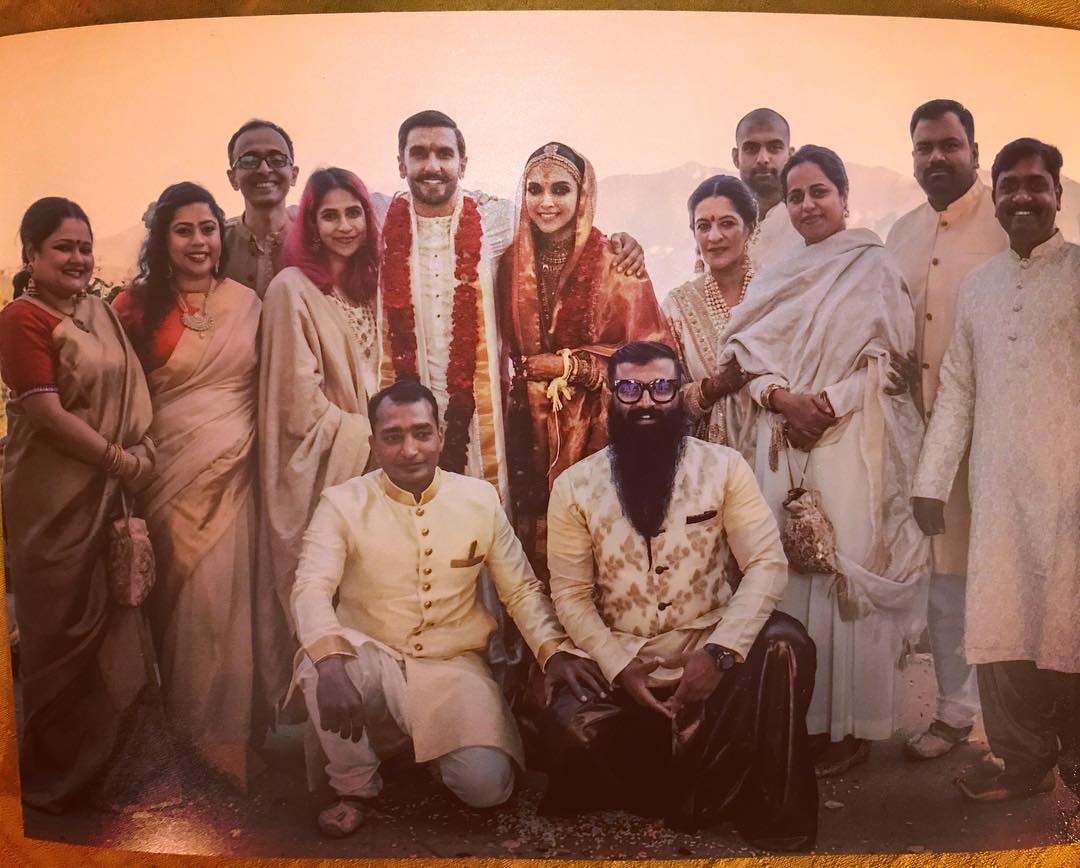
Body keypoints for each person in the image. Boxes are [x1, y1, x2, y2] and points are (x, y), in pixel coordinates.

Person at [378, 109, 645, 691]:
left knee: (541, 541)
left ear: (463, 162)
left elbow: (637, 341)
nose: (431, 165)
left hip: (529, 424)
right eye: (418, 154)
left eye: (443, 153)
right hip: (469, 422)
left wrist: (626, 243)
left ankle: (565, 681)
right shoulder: (380, 229)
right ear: (400, 163)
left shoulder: (492, 224)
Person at [289, 380, 604, 837]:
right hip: (371, 660)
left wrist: (551, 650)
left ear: (440, 435)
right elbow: (311, 587)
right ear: (374, 443)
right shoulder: (341, 504)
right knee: (319, 664)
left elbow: (519, 590)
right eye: (393, 436)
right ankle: (354, 786)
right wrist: (330, 657)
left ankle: (426, 749)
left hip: (451, 668)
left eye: (421, 432)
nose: (410, 449)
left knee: (487, 789)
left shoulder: (478, 498)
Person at [541, 341, 817, 850]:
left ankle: (776, 818)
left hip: (709, 646)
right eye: (629, 388)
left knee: (785, 644)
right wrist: (620, 666)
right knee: (568, 724)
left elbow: (766, 564)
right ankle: (699, 776)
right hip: (627, 660)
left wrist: (718, 652)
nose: (645, 402)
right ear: (610, 396)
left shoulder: (724, 467)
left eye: (661, 387)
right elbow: (572, 596)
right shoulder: (574, 486)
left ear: (678, 392)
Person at [721, 145, 930, 777]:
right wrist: (782, 400)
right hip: (782, 444)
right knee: (793, 577)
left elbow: (891, 362)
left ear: (844, 198)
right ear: (784, 207)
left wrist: (827, 406)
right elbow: (743, 350)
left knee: (844, 578)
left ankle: (853, 729)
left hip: (850, 446)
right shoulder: (781, 274)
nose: (808, 204)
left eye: (820, 192)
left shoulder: (873, 266)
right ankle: (800, 722)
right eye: (796, 195)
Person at [912, 138, 1080, 803]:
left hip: (1070, 491)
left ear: (1059, 195)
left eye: (1036, 186)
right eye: (1008, 186)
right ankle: (1021, 759)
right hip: (998, 493)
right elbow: (957, 388)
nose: (1021, 198)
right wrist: (931, 479)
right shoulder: (980, 287)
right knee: (1002, 625)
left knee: (1068, 625)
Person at [0, 198, 176, 812]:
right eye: (62, 248)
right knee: (58, 634)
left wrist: (140, 448)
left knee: (116, 623)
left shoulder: (100, 310)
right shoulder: (21, 317)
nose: (77, 259)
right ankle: (54, 780)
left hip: (110, 489)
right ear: (30, 255)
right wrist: (118, 459)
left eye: (84, 246)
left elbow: (131, 391)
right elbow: (44, 412)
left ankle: (110, 774)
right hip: (51, 499)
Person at [113, 182, 261, 788]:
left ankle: (225, 744)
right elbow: (113, 395)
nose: (199, 242)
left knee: (225, 607)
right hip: (166, 477)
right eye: (184, 230)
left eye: (207, 229)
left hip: (233, 472)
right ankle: (181, 737)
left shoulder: (249, 302)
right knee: (177, 612)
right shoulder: (132, 306)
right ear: (162, 239)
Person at [885, 99, 1008, 761]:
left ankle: (1025, 731)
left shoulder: (1008, 221)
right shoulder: (901, 234)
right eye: (924, 147)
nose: (936, 158)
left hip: (1000, 435)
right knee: (946, 579)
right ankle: (957, 711)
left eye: (949, 145)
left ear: (974, 150)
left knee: (1012, 577)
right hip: (925, 440)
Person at [500, 141, 670, 579]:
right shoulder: (507, 262)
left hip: (597, 431)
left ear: (583, 196)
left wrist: (573, 368)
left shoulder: (615, 262)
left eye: (560, 189)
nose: (547, 202)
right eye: (535, 190)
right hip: (524, 429)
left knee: (596, 551)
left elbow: (656, 358)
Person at [256, 167, 382, 729]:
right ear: (309, 223)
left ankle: (382, 734)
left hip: (380, 472)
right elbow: (297, 406)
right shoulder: (290, 290)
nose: (344, 225)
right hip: (334, 471)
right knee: (323, 596)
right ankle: (337, 759)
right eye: (329, 214)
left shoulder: (371, 286)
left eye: (353, 212)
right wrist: (373, 441)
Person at [663, 175, 758, 460]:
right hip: (708, 461)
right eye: (703, 226)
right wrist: (710, 390)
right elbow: (661, 398)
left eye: (727, 223)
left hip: (777, 454)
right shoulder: (676, 307)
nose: (714, 236)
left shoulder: (776, 294)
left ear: (750, 229)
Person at [222, 119, 300, 297]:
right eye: (249, 160)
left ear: (293, 175)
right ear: (232, 178)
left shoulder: (316, 243)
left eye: (277, 159)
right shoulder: (215, 247)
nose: (264, 169)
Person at [731, 108, 802, 271]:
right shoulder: (721, 227)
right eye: (751, 148)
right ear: (736, 157)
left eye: (774, 147)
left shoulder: (806, 224)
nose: (763, 159)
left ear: (790, 156)